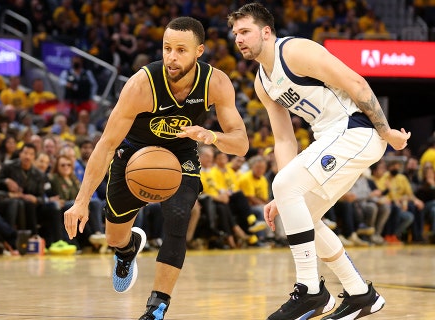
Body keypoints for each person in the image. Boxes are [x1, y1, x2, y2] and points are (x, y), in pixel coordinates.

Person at [228, 3, 411, 320]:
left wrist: (387, 132)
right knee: (304, 217)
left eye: (245, 31)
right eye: (235, 34)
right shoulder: (262, 82)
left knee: (288, 189)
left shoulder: (295, 50)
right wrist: (283, 196)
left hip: (356, 130)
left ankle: (310, 290)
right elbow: (285, 139)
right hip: (329, 138)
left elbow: (358, 83)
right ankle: (360, 294)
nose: (238, 39)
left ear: (266, 31)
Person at [63, 16, 248, 320]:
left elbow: (241, 144)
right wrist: (81, 201)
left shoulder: (216, 82)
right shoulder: (141, 85)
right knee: (113, 237)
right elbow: (107, 144)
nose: (172, 57)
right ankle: (127, 249)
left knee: (177, 218)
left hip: (181, 155)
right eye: (166, 49)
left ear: (199, 51)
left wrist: (212, 136)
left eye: (181, 50)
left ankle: (157, 307)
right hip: (134, 154)